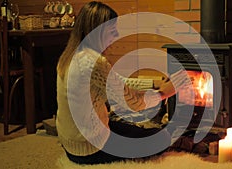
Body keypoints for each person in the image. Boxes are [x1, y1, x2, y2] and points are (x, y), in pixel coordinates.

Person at [56, 1, 189, 165]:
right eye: (112, 30)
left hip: (72, 142)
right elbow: (133, 103)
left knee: (138, 130)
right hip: (90, 149)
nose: (117, 35)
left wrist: (153, 83)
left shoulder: (71, 56)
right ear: (98, 32)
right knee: (161, 138)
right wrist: (164, 93)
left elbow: (116, 82)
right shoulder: (95, 62)